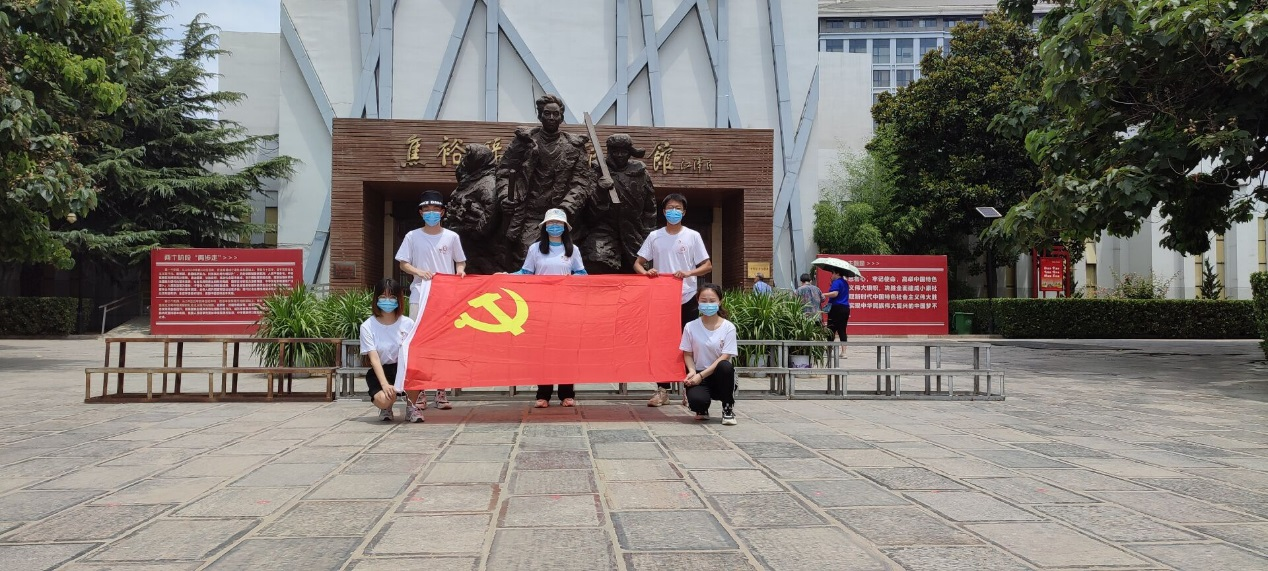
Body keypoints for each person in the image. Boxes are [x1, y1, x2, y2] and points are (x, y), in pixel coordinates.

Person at [395, 190, 467, 420]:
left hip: (445, 297)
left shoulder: (451, 237)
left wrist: (459, 273)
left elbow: (460, 262)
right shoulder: (412, 236)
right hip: (420, 294)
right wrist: (418, 271)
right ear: (421, 213)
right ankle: (420, 392)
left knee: (443, 344)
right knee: (419, 342)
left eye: (436, 210)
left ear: (443, 212)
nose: (431, 213)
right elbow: (403, 263)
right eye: (427, 210)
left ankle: (441, 391)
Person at [634, 193, 712, 407]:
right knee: (662, 345)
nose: (674, 211)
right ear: (664, 211)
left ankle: (690, 387)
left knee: (689, 343)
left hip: (687, 297)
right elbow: (638, 263)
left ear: (684, 212)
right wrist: (647, 273)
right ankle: (663, 390)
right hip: (662, 299)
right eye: (670, 208)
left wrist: (688, 273)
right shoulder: (655, 236)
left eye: (678, 208)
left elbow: (707, 265)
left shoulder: (692, 236)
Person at [506, 208, 588, 408]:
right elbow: (526, 272)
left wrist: (572, 278)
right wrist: (506, 276)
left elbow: (582, 274)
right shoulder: (535, 249)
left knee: (566, 351)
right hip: (541, 307)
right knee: (543, 351)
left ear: (565, 227)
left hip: (566, 307)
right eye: (551, 223)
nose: (555, 227)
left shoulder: (573, 250)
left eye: (558, 224)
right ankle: (543, 395)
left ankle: (567, 394)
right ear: (544, 227)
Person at [499, 94, 596, 259]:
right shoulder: (524, 142)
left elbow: (581, 182)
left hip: (561, 215)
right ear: (540, 116)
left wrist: (566, 208)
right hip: (529, 213)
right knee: (527, 253)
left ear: (561, 118)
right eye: (547, 113)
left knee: (562, 257)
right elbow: (504, 172)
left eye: (556, 114)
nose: (551, 117)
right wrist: (505, 196)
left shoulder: (574, 146)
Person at [578, 133, 657, 275]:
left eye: (624, 151)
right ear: (609, 152)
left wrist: (648, 235)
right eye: (615, 151)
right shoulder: (597, 172)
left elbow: (650, 210)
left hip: (634, 231)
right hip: (603, 230)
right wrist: (600, 191)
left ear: (629, 153)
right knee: (596, 261)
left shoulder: (641, 174)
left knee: (640, 272)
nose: (620, 155)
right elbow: (587, 213)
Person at [445, 142, 511, 274]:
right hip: (462, 241)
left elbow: (491, 210)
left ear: (478, 160)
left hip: (478, 247)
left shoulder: (487, 182)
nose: (464, 161)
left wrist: (477, 231)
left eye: (468, 157)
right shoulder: (470, 180)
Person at [680, 284, 738, 425]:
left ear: (720, 301)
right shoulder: (690, 326)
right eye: (703, 301)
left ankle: (728, 408)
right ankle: (701, 408)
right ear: (697, 301)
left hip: (719, 375)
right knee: (697, 402)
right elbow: (687, 353)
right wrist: (692, 371)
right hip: (699, 373)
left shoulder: (728, 327)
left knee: (725, 366)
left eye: (712, 301)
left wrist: (700, 376)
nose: (708, 304)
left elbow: (725, 356)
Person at [360, 279, 415, 421]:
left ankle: (412, 407)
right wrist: (384, 384)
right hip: (381, 370)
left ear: (399, 299)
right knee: (384, 400)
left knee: (417, 374)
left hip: (403, 368)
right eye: (383, 297)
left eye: (392, 297)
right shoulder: (367, 326)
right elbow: (374, 359)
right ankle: (386, 407)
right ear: (376, 299)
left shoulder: (408, 323)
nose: (387, 300)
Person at [823, 267, 851, 342]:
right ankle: (844, 349)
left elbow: (835, 293)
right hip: (845, 308)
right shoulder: (845, 283)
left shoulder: (837, 282)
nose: (832, 275)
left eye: (833, 273)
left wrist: (824, 294)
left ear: (837, 273)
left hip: (836, 308)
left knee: (831, 329)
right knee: (842, 329)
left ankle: (829, 348)